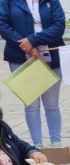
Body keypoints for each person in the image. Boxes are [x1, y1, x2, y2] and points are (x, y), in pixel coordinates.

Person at [0, 0, 65, 150]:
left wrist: (33, 40)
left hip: (51, 55)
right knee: (31, 104)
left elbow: (59, 25)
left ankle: (56, 144)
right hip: (19, 57)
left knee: (52, 103)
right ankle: (37, 145)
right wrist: (25, 45)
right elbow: (3, 25)